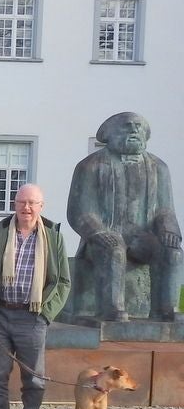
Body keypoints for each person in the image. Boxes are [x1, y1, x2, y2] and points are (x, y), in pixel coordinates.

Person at [0, 183, 71, 409]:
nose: (26, 208)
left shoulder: (53, 235)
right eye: (21, 202)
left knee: (35, 377)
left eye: (32, 203)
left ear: (41, 206)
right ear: (14, 204)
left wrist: (46, 315)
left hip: (33, 317)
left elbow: (62, 281)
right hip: (0, 315)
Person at [66, 111, 182, 321]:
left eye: (139, 127)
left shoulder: (159, 168)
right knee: (114, 248)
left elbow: (165, 210)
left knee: (172, 253)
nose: (134, 130)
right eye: (127, 126)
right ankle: (111, 309)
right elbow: (80, 212)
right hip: (102, 238)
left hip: (141, 237)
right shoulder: (89, 166)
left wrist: (169, 230)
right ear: (109, 135)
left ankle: (165, 310)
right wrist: (99, 232)